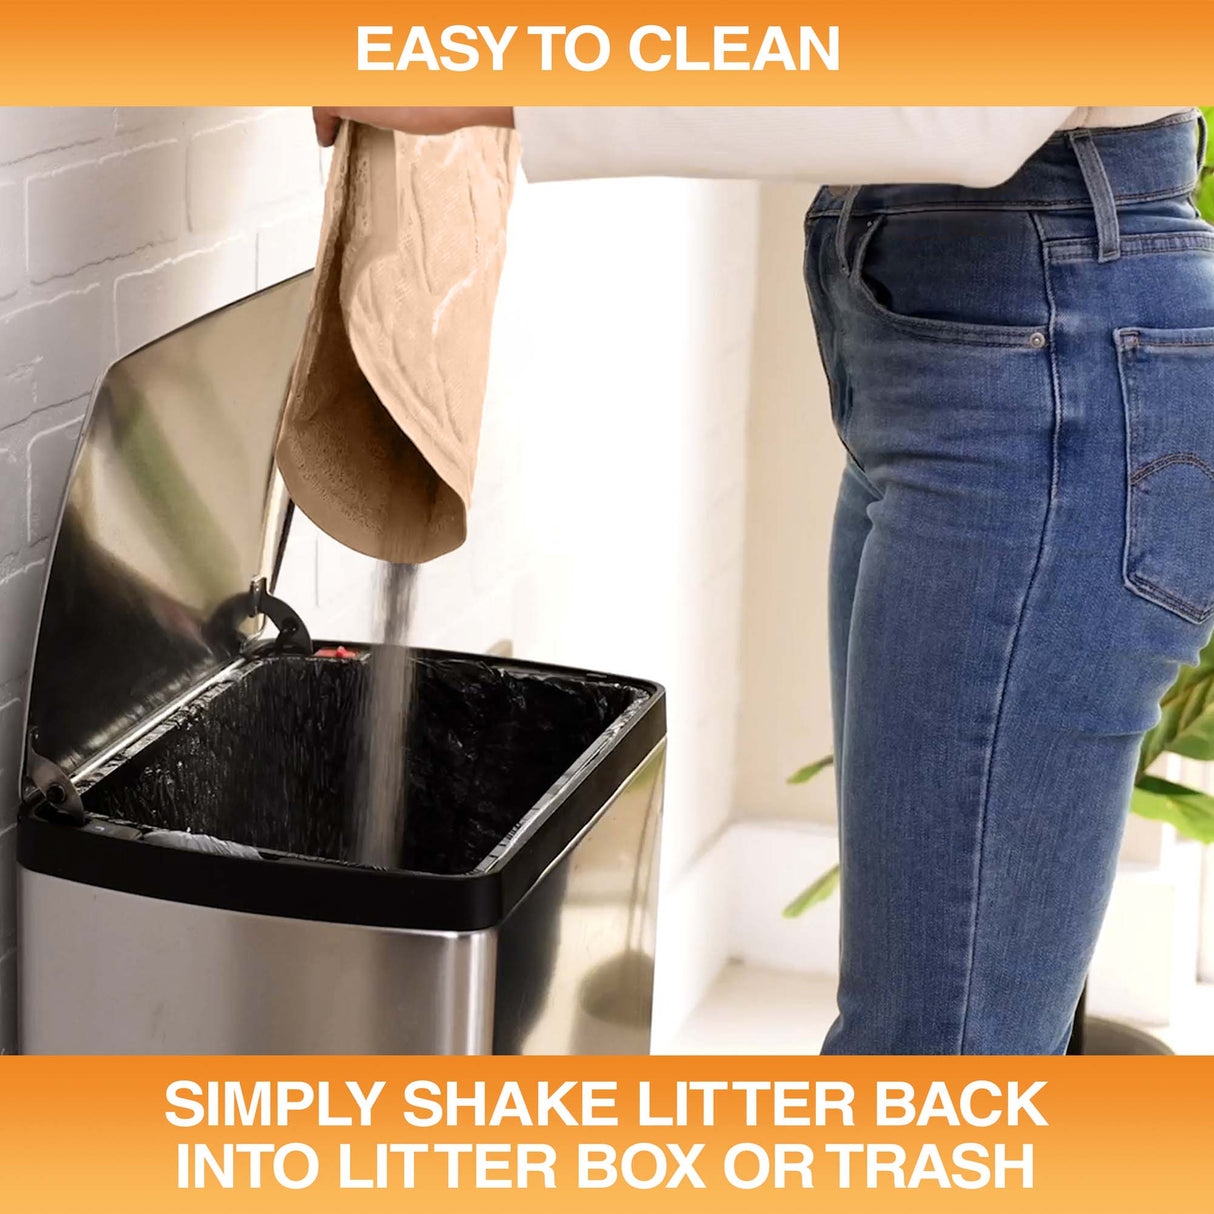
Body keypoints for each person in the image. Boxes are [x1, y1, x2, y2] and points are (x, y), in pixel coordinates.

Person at [313, 106, 1208, 1054]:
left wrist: (499, 73)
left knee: (932, 1068)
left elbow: (972, 103)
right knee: (946, 1030)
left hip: (1044, 362)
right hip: (968, 346)